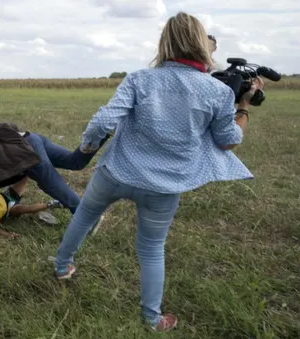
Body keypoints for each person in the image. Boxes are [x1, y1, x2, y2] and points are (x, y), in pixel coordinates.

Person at [52, 11, 264, 332]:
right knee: (151, 248)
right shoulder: (218, 92)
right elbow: (228, 141)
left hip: (115, 171)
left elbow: (103, 121)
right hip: (163, 186)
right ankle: (152, 318)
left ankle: (61, 266)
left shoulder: (139, 79)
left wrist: (86, 147)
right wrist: (243, 105)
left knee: (84, 216)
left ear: (165, 42)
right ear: (201, 45)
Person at [0, 176, 64, 239]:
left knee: (24, 177)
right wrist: (8, 235)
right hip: (11, 209)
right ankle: (52, 204)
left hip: (7, 196)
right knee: (23, 209)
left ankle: (31, 170)